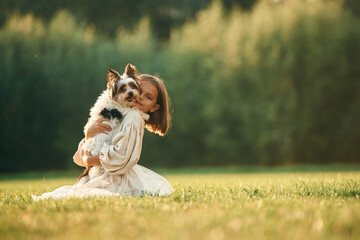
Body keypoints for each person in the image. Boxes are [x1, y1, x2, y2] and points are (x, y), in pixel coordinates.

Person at [32, 74, 174, 200]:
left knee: (85, 194)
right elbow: (100, 141)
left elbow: (121, 157)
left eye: (148, 97)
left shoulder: (133, 117)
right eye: (140, 91)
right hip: (106, 173)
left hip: (116, 177)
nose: (140, 97)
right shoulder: (123, 112)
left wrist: (90, 159)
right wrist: (89, 134)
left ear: (154, 107)